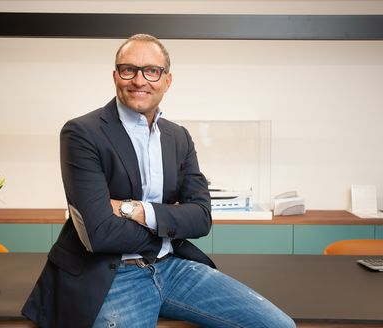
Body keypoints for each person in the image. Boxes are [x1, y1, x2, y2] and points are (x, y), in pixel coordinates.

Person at [22, 34, 295, 328]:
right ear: (115, 75)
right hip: (113, 276)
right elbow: (99, 232)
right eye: (129, 69)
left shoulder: (178, 137)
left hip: (172, 267)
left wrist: (133, 210)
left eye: (152, 71)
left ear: (167, 80)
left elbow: (201, 218)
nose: (140, 80)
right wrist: (170, 224)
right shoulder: (82, 133)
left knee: (279, 325)